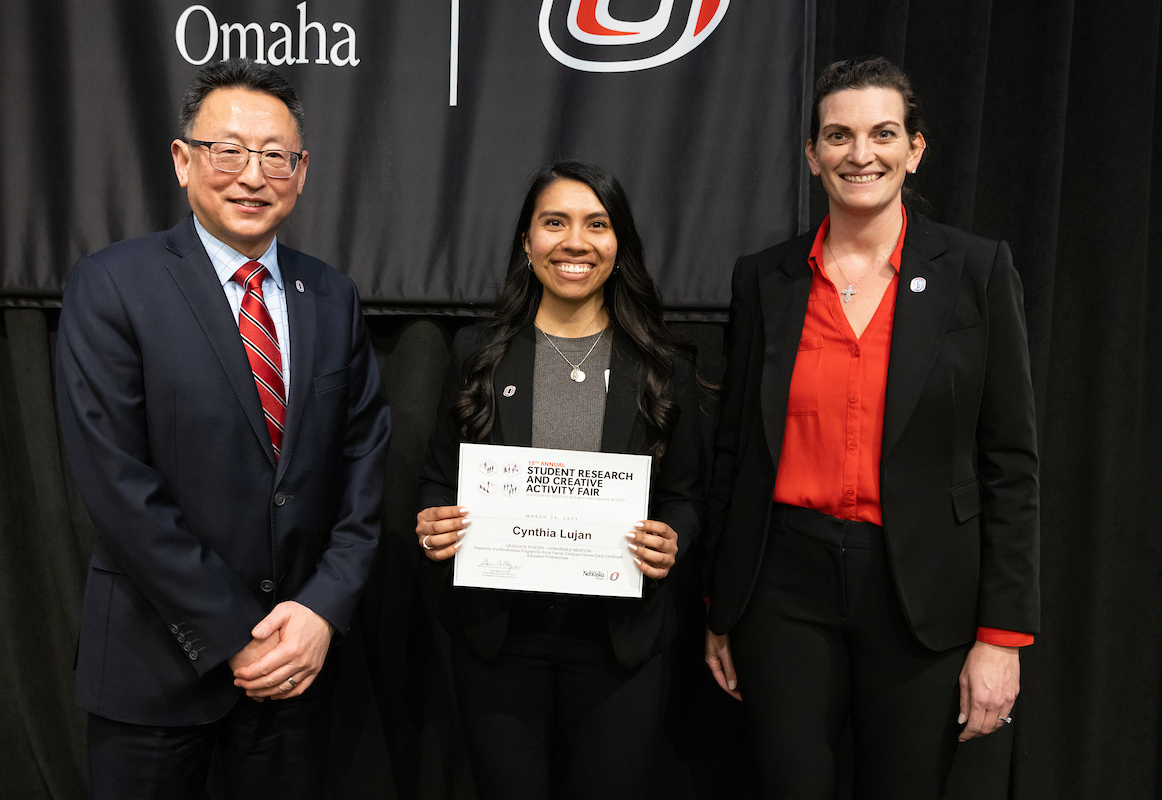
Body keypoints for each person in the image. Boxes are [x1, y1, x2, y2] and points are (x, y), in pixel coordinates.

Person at [703, 56, 1040, 798]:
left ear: (915, 149)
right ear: (812, 155)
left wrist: (1002, 638)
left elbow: (1010, 463)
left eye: (883, 133)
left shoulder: (976, 270)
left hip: (921, 591)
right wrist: (720, 606)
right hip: (783, 589)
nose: (862, 154)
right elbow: (736, 450)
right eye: (839, 136)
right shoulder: (765, 278)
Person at [55, 58, 390, 798]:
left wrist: (321, 612)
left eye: (276, 155)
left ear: (301, 173)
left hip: (296, 668)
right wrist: (237, 634)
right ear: (183, 159)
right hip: (153, 669)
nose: (252, 174)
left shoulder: (332, 295)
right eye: (227, 150)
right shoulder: (112, 284)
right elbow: (116, 483)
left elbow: (365, 465)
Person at [416, 161, 704, 799]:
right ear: (526, 240)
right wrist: (431, 527)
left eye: (596, 224)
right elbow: (438, 480)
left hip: (620, 647)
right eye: (555, 223)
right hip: (500, 639)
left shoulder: (663, 362)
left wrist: (672, 538)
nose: (575, 242)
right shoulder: (477, 351)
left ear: (618, 243)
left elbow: (687, 495)